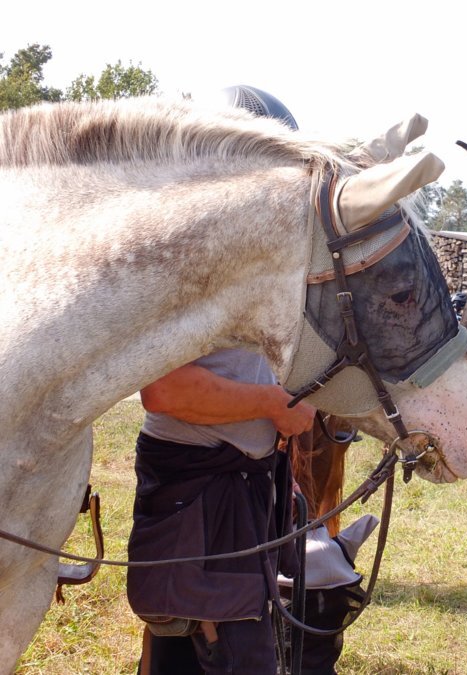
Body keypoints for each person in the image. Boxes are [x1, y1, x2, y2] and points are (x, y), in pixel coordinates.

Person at [127, 86, 314, 675]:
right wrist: (273, 404)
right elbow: (164, 390)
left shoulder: (248, 262)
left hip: (233, 486)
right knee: (229, 654)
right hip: (202, 491)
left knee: (187, 649)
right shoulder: (188, 261)